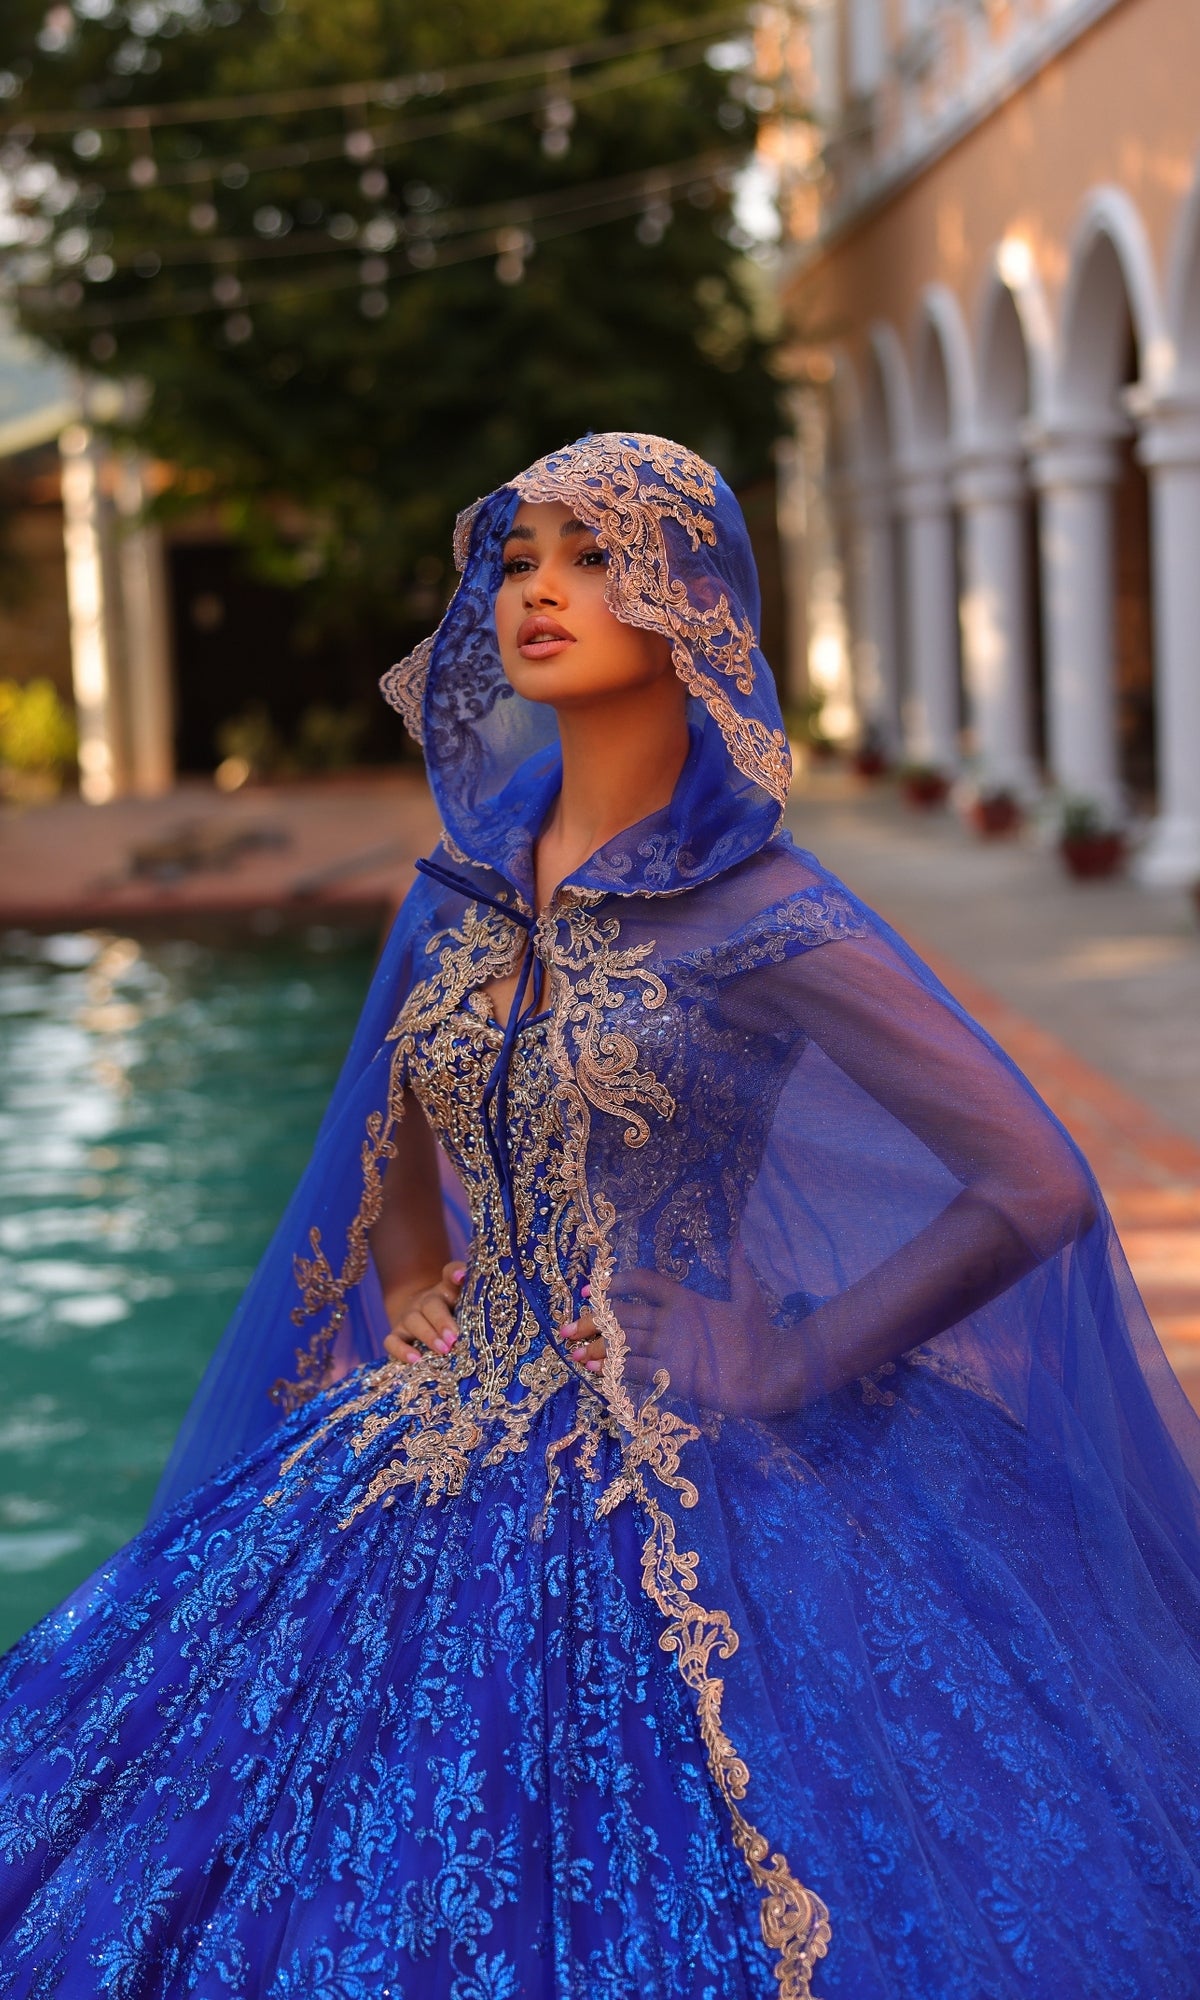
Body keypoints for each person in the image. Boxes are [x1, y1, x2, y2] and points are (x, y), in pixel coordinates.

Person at [0, 432, 1198, 2000]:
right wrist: (414, 1274)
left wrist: (792, 1358)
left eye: (595, 556)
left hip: (692, 1468)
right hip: (430, 1436)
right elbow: (385, 1117)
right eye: (518, 561)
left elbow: (1035, 1180)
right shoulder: (462, 888)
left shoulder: (757, 909)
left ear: (692, 600)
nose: (539, 592)